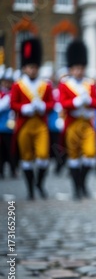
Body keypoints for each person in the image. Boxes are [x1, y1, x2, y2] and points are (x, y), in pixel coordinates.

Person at [10, 38, 55, 199]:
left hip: (40, 124)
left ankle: (39, 183)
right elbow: (13, 103)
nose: (33, 70)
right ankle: (30, 189)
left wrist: (43, 106)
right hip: (24, 125)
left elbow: (51, 103)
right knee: (27, 158)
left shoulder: (46, 85)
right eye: (30, 67)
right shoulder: (18, 85)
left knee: (43, 156)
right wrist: (24, 108)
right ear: (24, 68)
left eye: (35, 67)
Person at [59, 40, 96, 199]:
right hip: (72, 123)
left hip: (86, 124)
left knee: (90, 154)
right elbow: (62, 103)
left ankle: (82, 182)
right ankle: (76, 187)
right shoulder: (65, 84)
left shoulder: (90, 84)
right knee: (74, 156)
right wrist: (75, 102)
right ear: (71, 69)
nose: (78, 71)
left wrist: (88, 101)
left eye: (81, 68)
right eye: (75, 68)